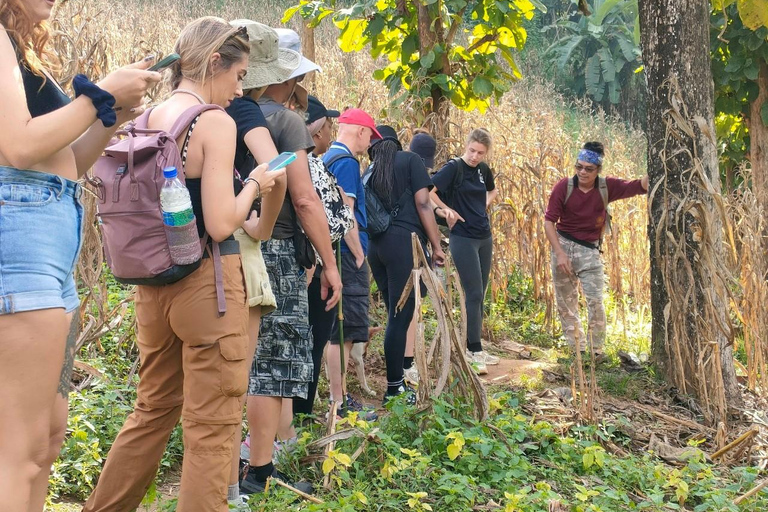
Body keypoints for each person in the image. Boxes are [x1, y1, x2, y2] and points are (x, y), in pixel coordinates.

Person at [83, 18, 284, 512]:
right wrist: (255, 184)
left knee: (151, 410)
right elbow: (220, 222)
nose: (240, 90)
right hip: (207, 287)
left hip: (152, 285)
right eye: (238, 75)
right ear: (215, 63)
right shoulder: (213, 121)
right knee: (212, 425)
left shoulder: (147, 116)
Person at [0, 1, 161, 508]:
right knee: (17, 453)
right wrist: (101, 96)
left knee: (46, 442)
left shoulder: (18, 48)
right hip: (20, 244)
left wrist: (113, 116)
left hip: (46, 246)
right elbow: (19, 147)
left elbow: (66, 163)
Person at [241, 37, 342, 495]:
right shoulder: (283, 121)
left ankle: (226, 465)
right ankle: (259, 470)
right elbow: (304, 199)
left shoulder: (220, 113)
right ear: (288, 77)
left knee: (236, 358)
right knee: (273, 360)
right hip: (275, 250)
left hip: (222, 246)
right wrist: (329, 263)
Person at [222, 19, 294, 510]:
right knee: (236, 378)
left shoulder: (185, 105)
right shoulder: (243, 107)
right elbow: (278, 171)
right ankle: (231, 489)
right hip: (234, 246)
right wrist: (262, 225)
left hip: (179, 249)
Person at [544, 141, 648, 359]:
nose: (582, 172)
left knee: (595, 300)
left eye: (588, 169)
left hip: (590, 250)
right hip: (563, 245)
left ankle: (595, 350)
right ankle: (577, 349)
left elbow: (640, 186)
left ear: (598, 170)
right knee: (566, 302)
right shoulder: (564, 187)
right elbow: (549, 222)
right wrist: (560, 253)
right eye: (579, 167)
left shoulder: (606, 187)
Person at [367, 125, 446, 404]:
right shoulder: (410, 160)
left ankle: (395, 384)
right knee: (400, 319)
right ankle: (394, 389)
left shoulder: (371, 169)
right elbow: (424, 204)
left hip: (376, 247)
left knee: (394, 316)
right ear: (398, 144)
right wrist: (436, 246)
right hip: (403, 244)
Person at [323, 109, 380, 415]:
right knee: (344, 332)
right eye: (370, 135)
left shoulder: (327, 158)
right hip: (346, 256)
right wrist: (359, 254)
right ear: (360, 131)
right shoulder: (346, 163)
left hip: (334, 254)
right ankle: (340, 401)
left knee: (338, 330)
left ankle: (338, 399)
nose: (369, 143)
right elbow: (345, 212)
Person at [430, 128, 499, 374]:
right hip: (463, 236)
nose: (474, 156)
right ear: (466, 146)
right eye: (472, 150)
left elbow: (492, 190)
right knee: (473, 292)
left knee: (480, 294)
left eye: (480, 153)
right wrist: (446, 210)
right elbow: (429, 191)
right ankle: (473, 350)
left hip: (484, 236)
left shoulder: (483, 170)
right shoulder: (454, 168)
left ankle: (475, 346)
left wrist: (484, 204)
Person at [293, 94, 343, 418]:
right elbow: (313, 212)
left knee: (310, 339)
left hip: (315, 261)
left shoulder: (309, 162)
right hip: (312, 264)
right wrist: (326, 262)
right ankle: (298, 414)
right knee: (310, 339)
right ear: (316, 129)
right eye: (328, 125)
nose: (330, 132)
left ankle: (298, 415)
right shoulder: (306, 164)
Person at [403, 129, 438, 385]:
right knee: (411, 307)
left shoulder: (396, 167)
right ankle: (407, 364)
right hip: (411, 247)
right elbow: (424, 204)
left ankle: (404, 363)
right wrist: (437, 246)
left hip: (391, 247)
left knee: (405, 308)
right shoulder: (414, 172)